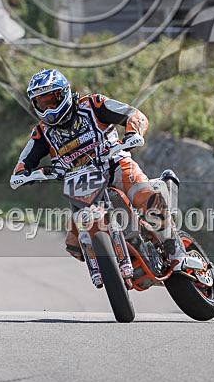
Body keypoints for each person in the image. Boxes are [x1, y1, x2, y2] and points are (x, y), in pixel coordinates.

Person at [10, 68, 190, 269]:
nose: (48, 108)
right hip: (80, 184)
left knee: (145, 199)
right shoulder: (42, 132)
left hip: (115, 165)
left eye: (51, 100)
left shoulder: (92, 105)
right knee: (73, 245)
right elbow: (23, 163)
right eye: (41, 103)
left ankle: (175, 248)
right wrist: (23, 174)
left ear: (63, 94)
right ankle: (115, 260)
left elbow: (134, 115)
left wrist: (132, 133)